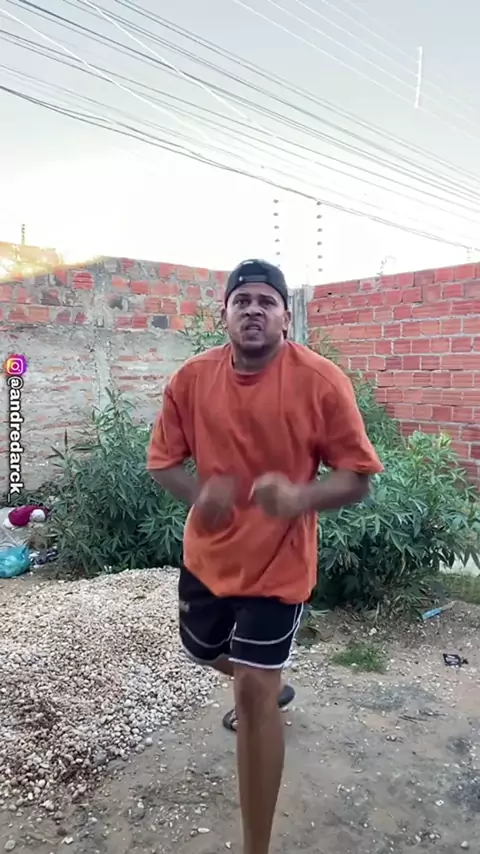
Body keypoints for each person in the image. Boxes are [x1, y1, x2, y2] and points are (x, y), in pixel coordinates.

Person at [147, 259, 383, 854]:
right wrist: (199, 495)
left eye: (266, 301)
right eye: (242, 300)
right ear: (225, 314)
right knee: (202, 651)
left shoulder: (320, 381)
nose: (253, 310)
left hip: (280, 562)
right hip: (208, 557)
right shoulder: (191, 380)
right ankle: (269, 681)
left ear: (285, 316)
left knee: (251, 692)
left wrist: (300, 497)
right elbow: (164, 463)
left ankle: (257, 845)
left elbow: (357, 477)